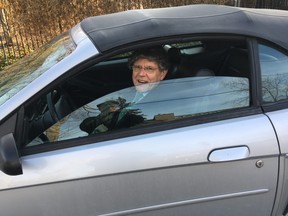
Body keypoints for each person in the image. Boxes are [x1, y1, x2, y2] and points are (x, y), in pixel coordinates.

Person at [80, 46, 171, 134]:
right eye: (137, 67)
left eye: (149, 69)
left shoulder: (164, 103)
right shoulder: (128, 92)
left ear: (162, 74)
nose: (141, 74)